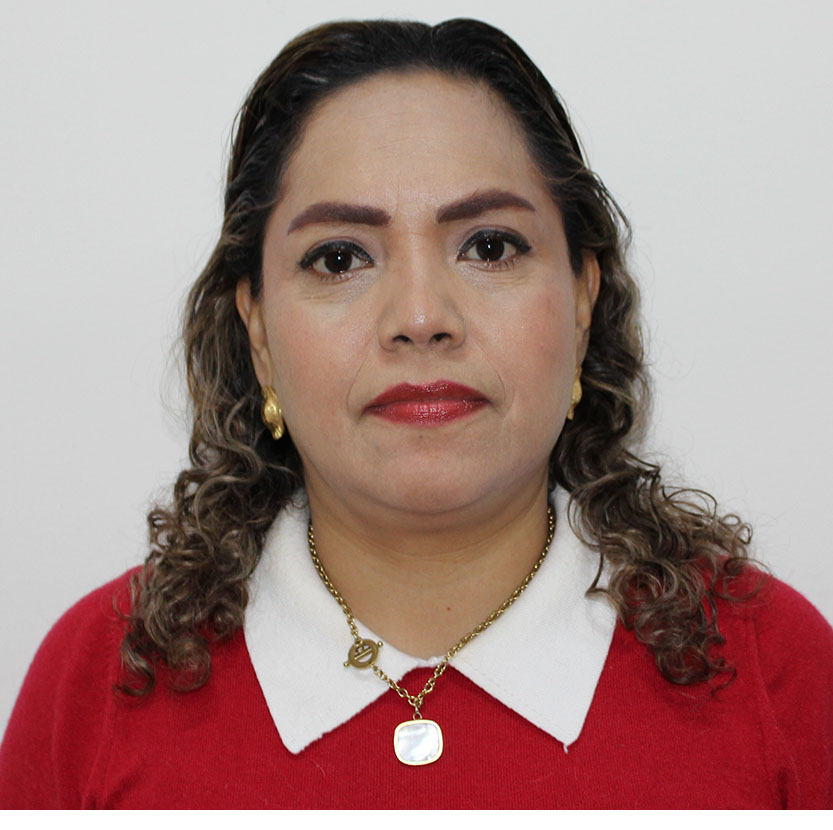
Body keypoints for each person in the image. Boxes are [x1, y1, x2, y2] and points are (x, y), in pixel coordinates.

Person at [1, 18, 831, 809]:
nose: (421, 315)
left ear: (583, 300)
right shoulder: (99, 681)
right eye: (339, 258)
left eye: (489, 246)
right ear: (257, 331)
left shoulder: (776, 668)